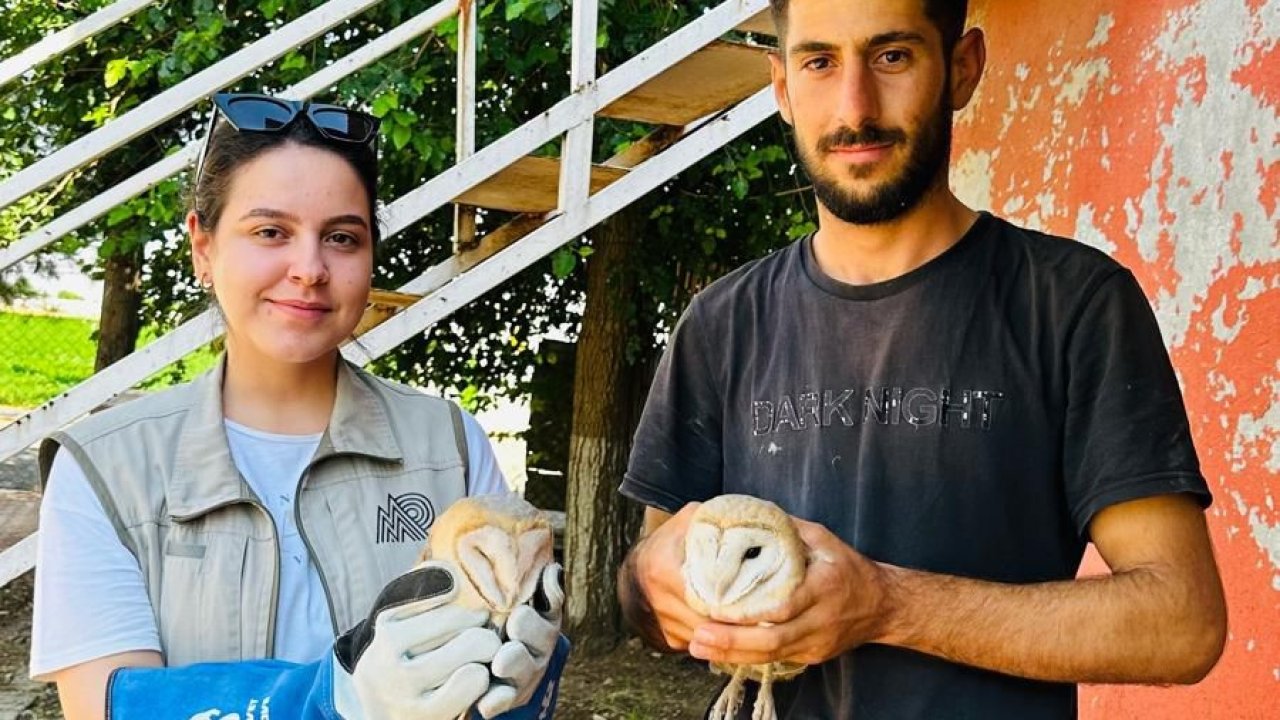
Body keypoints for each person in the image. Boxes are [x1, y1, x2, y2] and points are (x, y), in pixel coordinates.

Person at [616, 0, 1227, 717]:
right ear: (782, 87)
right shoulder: (720, 325)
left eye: (892, 57)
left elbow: (1182, 622)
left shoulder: (1072, 305)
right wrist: (648, 588)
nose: (856, 107)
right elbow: (645, 590)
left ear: (962, 68)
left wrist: (887, 605)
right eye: (819, 62)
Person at [30, 92, 567, 720]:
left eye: (342, 237)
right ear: (202, 248)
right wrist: (334, 700)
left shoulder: (447, 445)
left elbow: (490, 678)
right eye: (270, 232)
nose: (309, 268)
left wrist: (519, 688)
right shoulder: (104, 468)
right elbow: (109, 708)